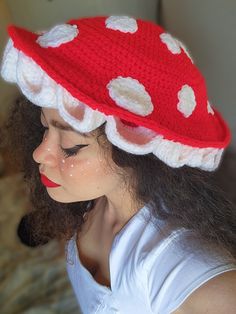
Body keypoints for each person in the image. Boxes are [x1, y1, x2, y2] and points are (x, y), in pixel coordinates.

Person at [1, 15, 236, 314]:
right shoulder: (91, 201)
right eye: (45, 128)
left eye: (71, 147)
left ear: (133, 150)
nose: (39, 154)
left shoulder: (180, 269)